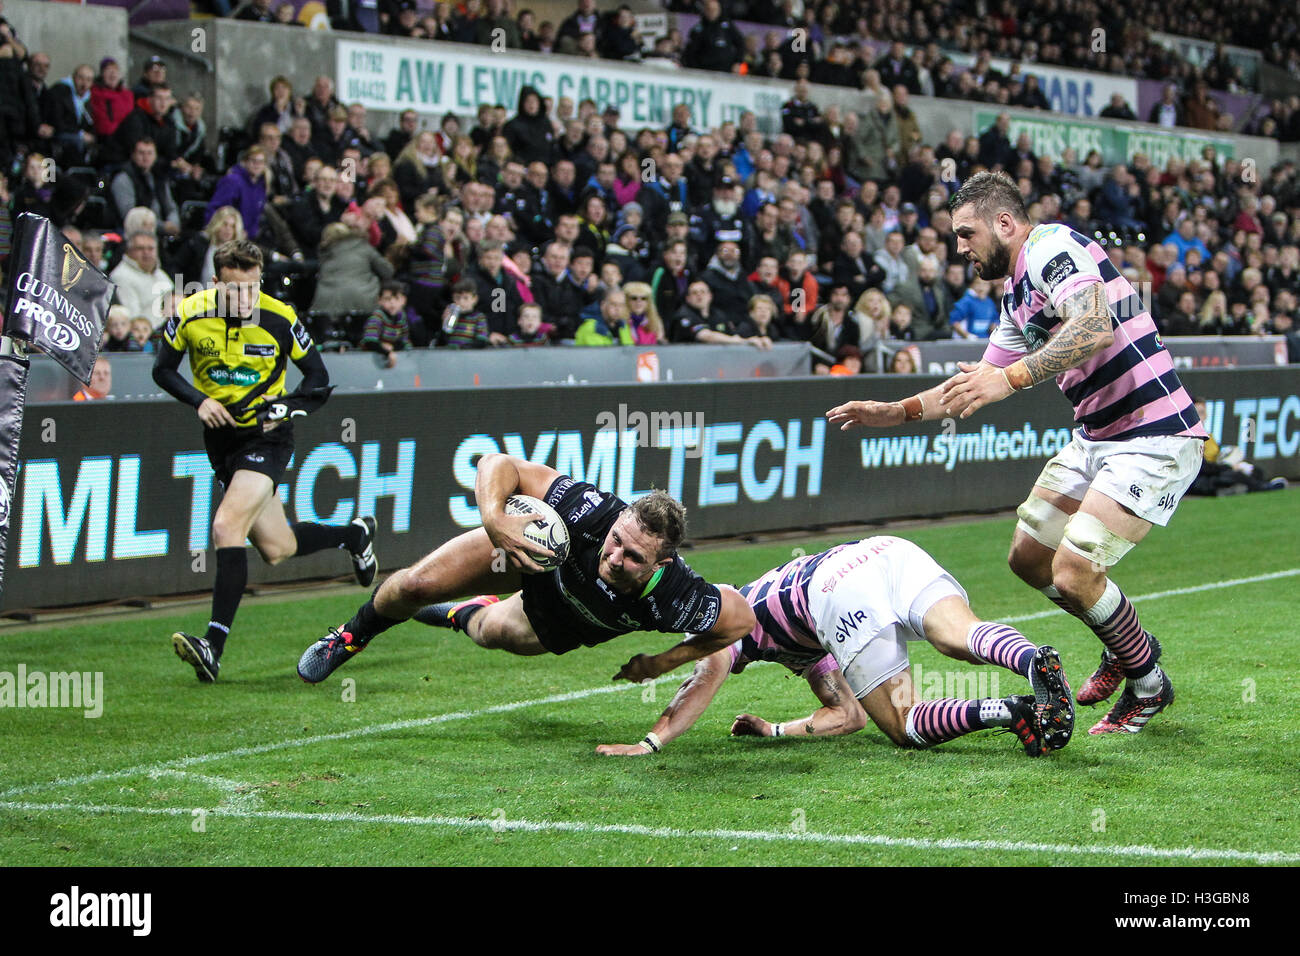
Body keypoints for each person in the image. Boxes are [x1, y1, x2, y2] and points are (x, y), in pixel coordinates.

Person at [828, 171, 1207, 736]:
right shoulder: (1016, 296)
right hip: (1097, 439)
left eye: (966, 234)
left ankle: (1149, 684)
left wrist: (1016, 378)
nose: (960, 249)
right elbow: (979, 381)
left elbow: (1094, 324)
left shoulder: (1053, 247)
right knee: (1028, 557)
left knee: (1076, 570)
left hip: (1154, 436)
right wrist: (896, 410)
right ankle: (1125, 641)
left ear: (1005, 223)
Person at [296, 453, 756, 684]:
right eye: (617, 541)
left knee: (489, 633)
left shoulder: (678, 595)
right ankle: (351, 635)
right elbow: (497, 463)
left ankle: (463, 613)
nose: (614, 559)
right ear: (616, 522)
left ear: (662, 563)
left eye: (633, 558)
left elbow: (741, 620)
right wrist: (496, 521)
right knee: (417, 585)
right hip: (524, 554)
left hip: (567, 618)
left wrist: (662, 662)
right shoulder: (588, 510)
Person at [597, 536, 1074, 757]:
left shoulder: (728, 620)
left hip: (832, 591)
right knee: (960, 637)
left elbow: (703, 676)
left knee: (905, 724)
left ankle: (1010, 709)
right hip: (882, 551)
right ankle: (1033, 662)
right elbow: (849, 715)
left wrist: (651, 741)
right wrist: (776, 731)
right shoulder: (798, 639)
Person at [152, 239, 378, 682]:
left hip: (268, 438)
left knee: (224, 526)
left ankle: (212, 648)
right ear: (216, 283)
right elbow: (162, 370)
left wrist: (285, 407)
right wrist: (198, 401)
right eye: (236, 290)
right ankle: (354, 535)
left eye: (253, 288)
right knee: (278, 548)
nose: (246, 299)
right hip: (221, 441)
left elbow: (317, 378)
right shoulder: (189, 314)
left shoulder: (280, 316)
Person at [362, 280, 411, 367]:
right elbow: (369, 342)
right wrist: (386, 352)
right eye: (387, 299)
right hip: (370, 360)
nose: (392, 302)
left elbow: (404, 341)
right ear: (379, 300)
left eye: (396, 298)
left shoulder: (402, 317)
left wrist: (395, 349)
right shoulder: (377, 317)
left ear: (403, 300)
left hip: (393, 358)